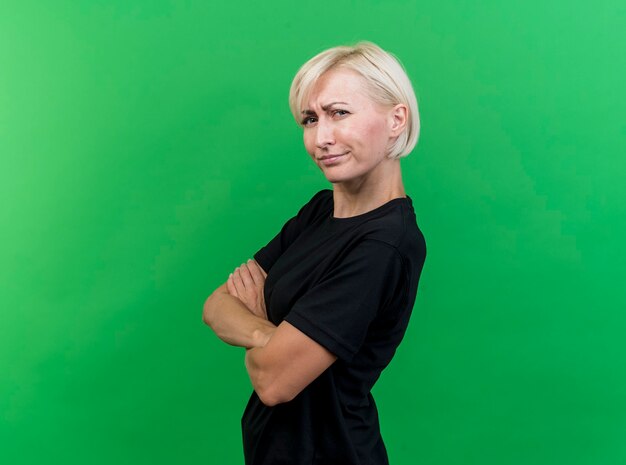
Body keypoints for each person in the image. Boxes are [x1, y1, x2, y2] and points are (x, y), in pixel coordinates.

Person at [203, 41, 427, 465]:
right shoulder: (320, 210)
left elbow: (273, 381)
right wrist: (269, 335)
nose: (321, 138)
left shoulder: (384, 244)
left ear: (396, 119)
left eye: (339, 113)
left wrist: (261, 325)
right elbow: (216, 304)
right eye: (310, 119)